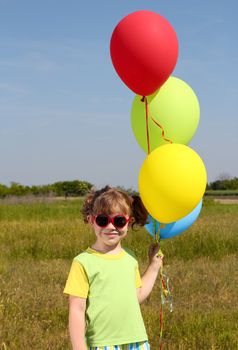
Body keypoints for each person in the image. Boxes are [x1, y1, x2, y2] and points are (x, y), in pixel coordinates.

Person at [64, 186, 163, 350]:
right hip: (102, 344)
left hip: (136, 342)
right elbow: (77, 309)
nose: (111, 227)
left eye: (118, 221)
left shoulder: (130, 258)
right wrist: (79, 347)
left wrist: (153, 266)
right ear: (91, 220)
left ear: (128, 222)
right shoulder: (83, 262)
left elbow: (136, 295)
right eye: (103, 220)